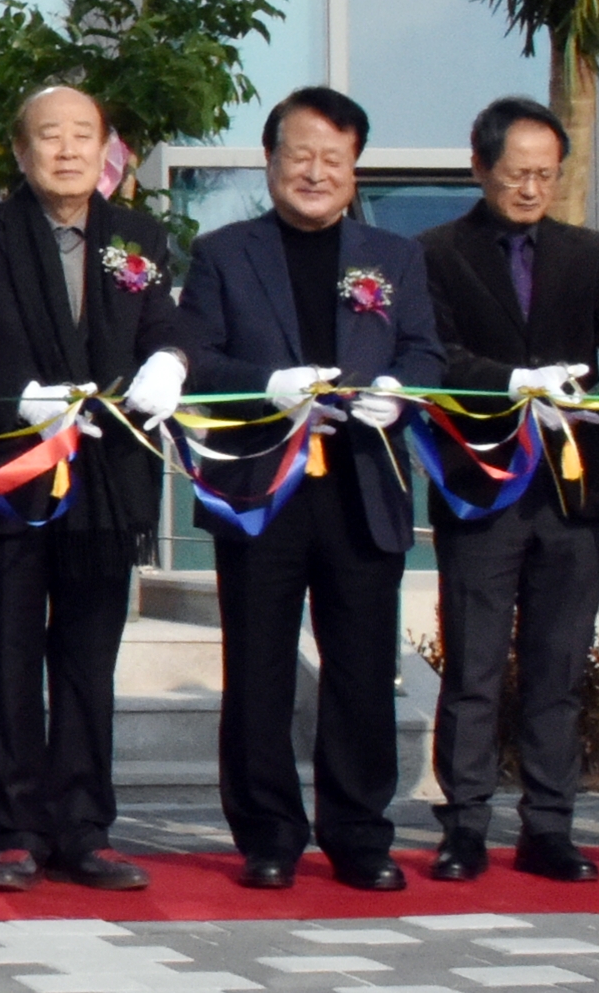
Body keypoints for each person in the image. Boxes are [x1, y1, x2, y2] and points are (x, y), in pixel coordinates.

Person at [178, 86, 442, 890]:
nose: (316, 172)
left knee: (361, 671)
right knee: (257, 670)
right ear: (269, 161)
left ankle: (360, 834)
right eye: (301, 155)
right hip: (263, 491)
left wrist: (399, 392)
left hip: (363, 490)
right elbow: (197, 357)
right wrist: (269, 385)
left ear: (354, 168)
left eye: (335, 158)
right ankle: (267, 836)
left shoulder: (394, 258)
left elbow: (429, 352)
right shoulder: (223, 252)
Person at [0, 84, 190, 894]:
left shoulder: (140, 239)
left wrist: (171, 360)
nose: (68, 149)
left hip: (109, 485)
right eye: (50, 135)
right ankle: (11, 830)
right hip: (11, 479)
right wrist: (19, 396)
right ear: (20, 150)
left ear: (107, 148)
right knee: (6, 658)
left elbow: (171, 329)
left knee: (87, 662)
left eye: (84, 134)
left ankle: (84, 827)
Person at [415, 96, 599, 885]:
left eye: (545, 174)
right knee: (472, 666)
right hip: (483, 488)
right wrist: (512, 383)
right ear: (480, 167)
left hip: (573, 494)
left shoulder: (591, 252)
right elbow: (436, 357)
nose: (532, 189)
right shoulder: (437, 252)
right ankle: (464, 824)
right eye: (516, 175)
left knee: (556, 667)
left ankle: (549, 826)